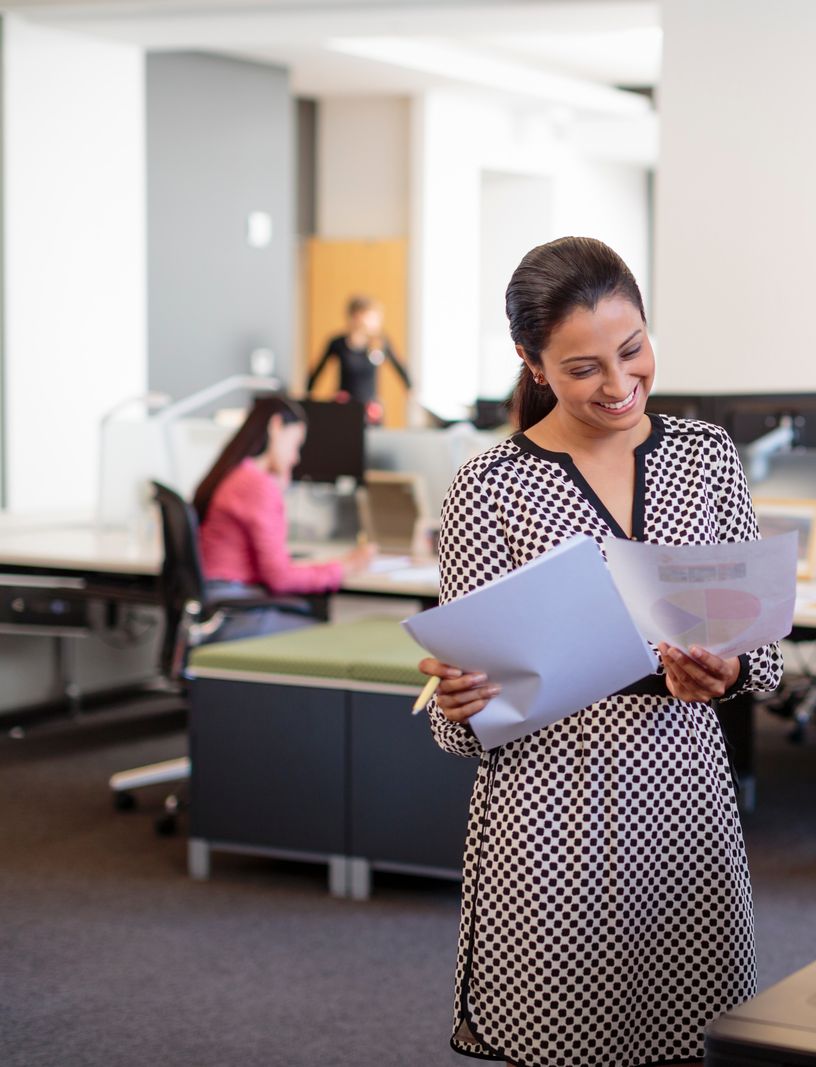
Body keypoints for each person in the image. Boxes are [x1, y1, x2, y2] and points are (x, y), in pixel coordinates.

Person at [415, 237, 783, 1066]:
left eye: (632, 349)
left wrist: (728, 667)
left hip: (684, 806)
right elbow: (461, 724)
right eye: (583, 368)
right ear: (532, 363)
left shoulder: (706, 457)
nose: (619, 384)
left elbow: (763, 655)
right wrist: (461, 702)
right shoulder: (490, 485)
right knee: (561, 1039)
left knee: (696, 1038)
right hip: (549, 815)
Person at [193, 395, 374, 640]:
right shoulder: (256, 485)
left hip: (220, 604)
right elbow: (280, 578)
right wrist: (345, 567)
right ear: (276, 426)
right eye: (295, 444)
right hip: (235, 613)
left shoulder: (236, 475)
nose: (295, 458)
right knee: (334, 636)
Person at [304, 295, 411, 425]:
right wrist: (307, 394)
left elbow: (399, 367)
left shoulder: (380, 343)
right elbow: (318, 370)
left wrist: (410, 389)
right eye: (368, 316)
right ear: (355, 316)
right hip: (344, 406)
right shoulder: (338, 343)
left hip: (371, 410)